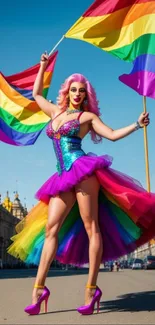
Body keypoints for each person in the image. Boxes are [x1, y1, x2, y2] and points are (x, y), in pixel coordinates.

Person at [8, 52, 155, 316]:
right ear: (67, 92)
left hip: (83, 171)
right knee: (50, 228)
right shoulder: (54, 112)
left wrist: (136, 124)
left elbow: (110, 135)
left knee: (92, 227)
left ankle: (91, 289)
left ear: (86, 96)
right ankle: (39, 290)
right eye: (73, 89)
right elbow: (37, 94)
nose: (77, 93)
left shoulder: (87, 118)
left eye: (81, 91)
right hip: (61, 175)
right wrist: (42, 66)